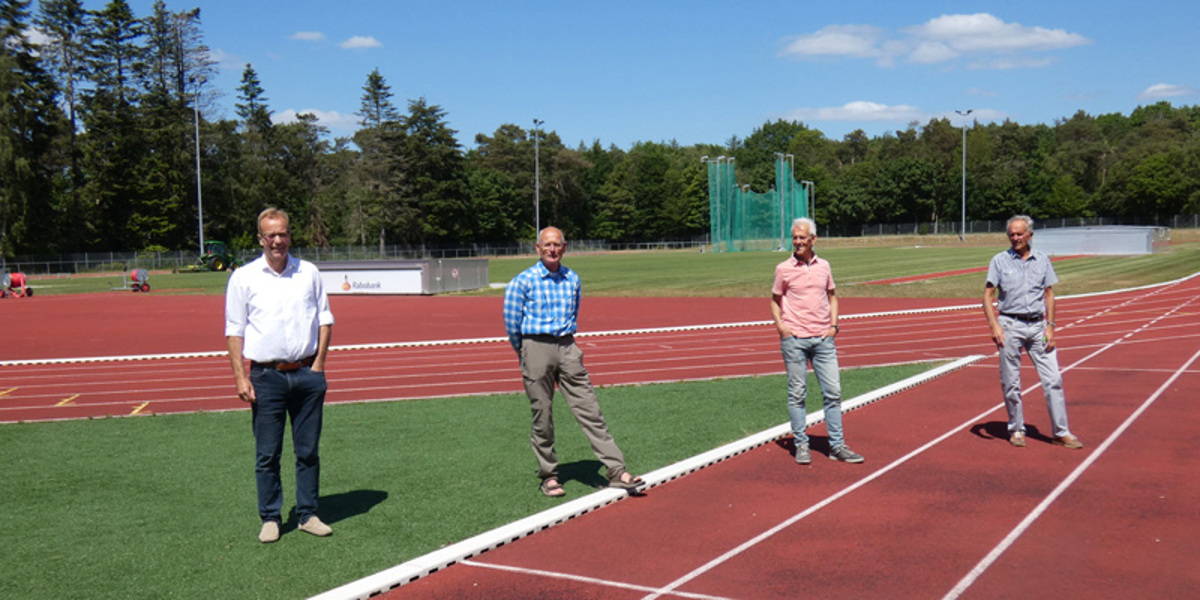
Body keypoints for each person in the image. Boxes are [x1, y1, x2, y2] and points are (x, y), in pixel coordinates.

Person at [502, 226, 643, 497]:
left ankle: (616, 470)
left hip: (568, 348)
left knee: (590, 409)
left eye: (557, 245)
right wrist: (524, 350)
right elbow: (511, 322)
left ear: (565, 247)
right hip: (536, 347)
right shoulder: (523, 281)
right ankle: (549, 475)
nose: (552, 250)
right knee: (542, 415)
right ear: (537, 248)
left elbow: (574, 310)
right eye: (547, 245)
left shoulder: (572, 279)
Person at [225, 207, 335, 543]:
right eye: (270, 235)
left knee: (307, 451)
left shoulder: (309, 272)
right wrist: (240, 378)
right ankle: (270, 517)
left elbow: (325, 320)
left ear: (290, 235)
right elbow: (234, 330)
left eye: (283, 233)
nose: (277, 240)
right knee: (267, 454)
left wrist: (318, 367)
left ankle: (307, 514)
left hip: (306, 373)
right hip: (266, 377)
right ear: (260, 238)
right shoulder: (243, 278)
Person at [984, 215, 1083, 450]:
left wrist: (1051, 325)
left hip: (1038, 326)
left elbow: (1049, 294)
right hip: (1010, 325)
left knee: (1053, 380)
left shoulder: (1042, 260)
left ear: (1030, 235)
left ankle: (1061, 432)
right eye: (1011, 234)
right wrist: (994, 325)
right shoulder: (999, 261)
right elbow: (987, 296)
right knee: (1011, 382)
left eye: (1019, 234)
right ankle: (1016, 429)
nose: (1015, 238)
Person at [771, 218, 864, 465]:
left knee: (833, 392)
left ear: (813, 239)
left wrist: (833, 327)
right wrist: (782, 327)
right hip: (795, 341)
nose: (798, 241)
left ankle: (836, 446)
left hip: (823, 340)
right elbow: (774, 299)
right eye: (795, 237)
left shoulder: (824, 266)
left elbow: (832, 296)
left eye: (802, 237)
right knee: (797, 394)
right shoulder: (783, 269)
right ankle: (801, 444)